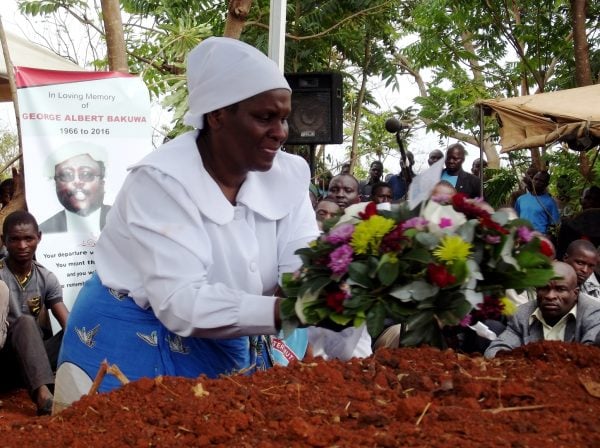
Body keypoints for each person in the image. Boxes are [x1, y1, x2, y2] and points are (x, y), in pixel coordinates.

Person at [55, 37, 320, 408]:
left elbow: (302, 252)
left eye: (283, 118)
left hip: (227, 336)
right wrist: (286, 311)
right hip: (132, 334)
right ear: (217, 116)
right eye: (264, 117)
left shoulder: (289, 175)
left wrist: (317, 288)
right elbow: (181, 301)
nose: (280, 132)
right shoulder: (160, 181)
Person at [0, 211, 68, 415]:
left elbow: (67, 323)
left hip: (36, 357)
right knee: (26, 323)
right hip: (5, 360)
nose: (22, 246)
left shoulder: (46, 277)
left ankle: (44, 379)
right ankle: (43, 395)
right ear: (4, 240)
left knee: (77, 333)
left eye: (28, 238)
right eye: (15, 239)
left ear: (39, 237)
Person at [485, 261, 600, 358]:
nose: (550, 296)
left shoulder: (593, 313)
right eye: (544, 288)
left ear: (575, 293)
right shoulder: (522, 314)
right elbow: (495, 351)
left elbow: (590, 356)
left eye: (560, 289)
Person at [39, 142, 111, 234]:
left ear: (102, 182)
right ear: (55, 183)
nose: (77, 182)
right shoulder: (42, 233)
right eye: (66, 175)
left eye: (86, 174)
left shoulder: (125, 223)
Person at [514, 170, 560, 235]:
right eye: (535, 179)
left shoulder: (550, 202)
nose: (537, 182)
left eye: (541, 181)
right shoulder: (521, 199)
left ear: (546, 184)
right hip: (522, 237)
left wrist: (547, 238)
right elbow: (516, 218)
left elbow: (554, 224)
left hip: (539, 239)